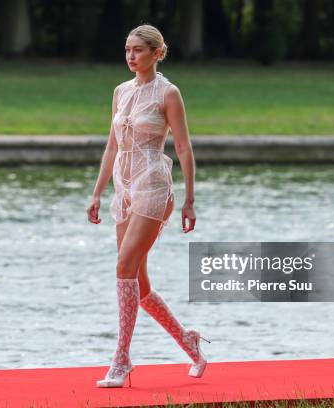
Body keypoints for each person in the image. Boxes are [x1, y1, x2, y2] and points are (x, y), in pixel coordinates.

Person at [87, 24, 209, 388]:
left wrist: (189, 200)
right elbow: (112, 147)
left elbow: (184, 147)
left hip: (154, 187)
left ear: (157, 53)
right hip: (124, 189)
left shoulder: (168, 93)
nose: (130, 56)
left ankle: (121, 360)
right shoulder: (120, 92)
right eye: (127, 50)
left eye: (138, 50)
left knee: (123, 266)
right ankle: (188, 341)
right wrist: (97, 193)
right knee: (138, 284)